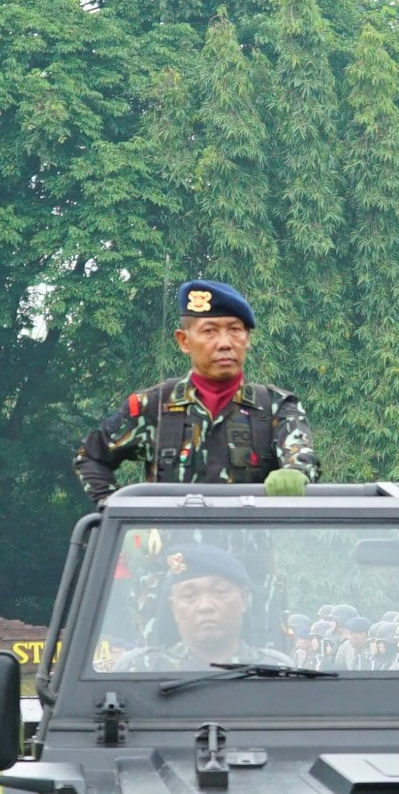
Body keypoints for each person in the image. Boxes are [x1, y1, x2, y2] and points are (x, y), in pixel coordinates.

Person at [74, 279, 320, 505]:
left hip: (245, 551)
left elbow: (301, 458)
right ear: (184, 341)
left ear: (247, 339)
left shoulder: (275, 406)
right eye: (209, 331)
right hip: (168, 551)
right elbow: (91, 457)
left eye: (235, 330)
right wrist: (119, 515)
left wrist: (294, 473)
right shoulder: (152, 406)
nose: (224, 343)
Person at [117, 547, 294, 671]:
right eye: (189, 595)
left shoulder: (275, 670)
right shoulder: (139, 669)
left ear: (244, 598)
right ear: (174, 608)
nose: (205, 606)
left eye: (219, 592)